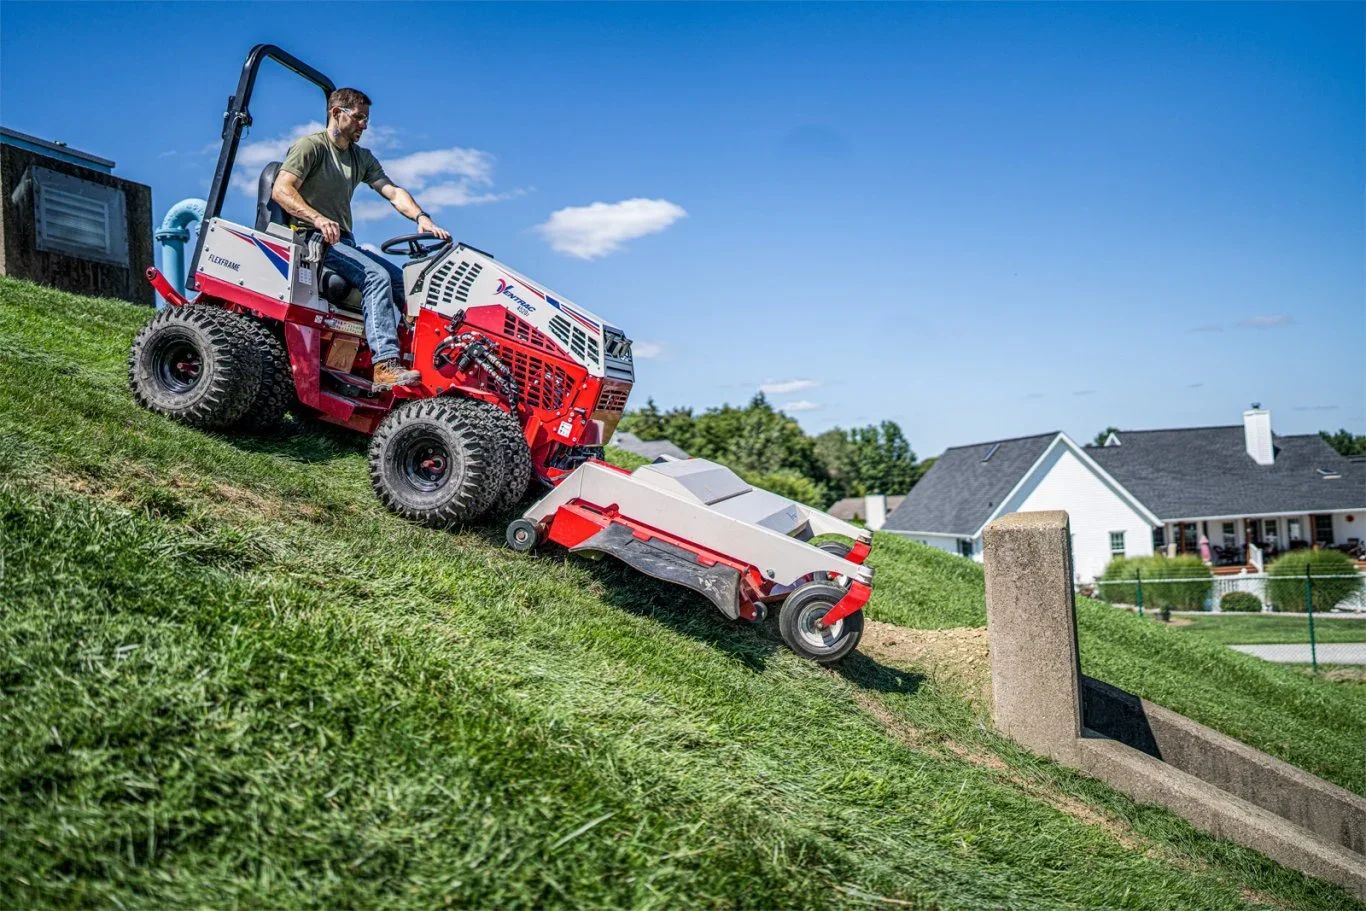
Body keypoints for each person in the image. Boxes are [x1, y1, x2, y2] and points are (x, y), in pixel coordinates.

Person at [272, 87, 451, 389]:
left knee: (405, 284)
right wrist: (317, 218)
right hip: (311, 239)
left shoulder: (361, 158)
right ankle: (385, 365)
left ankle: (423, 361)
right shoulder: (310, 147)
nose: (364, 126)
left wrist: (421, 217)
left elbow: (392, 191)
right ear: (336, 113)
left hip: (342, 241)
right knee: (375, 276)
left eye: (366, 120)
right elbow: (281, 189)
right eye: (358, 118)